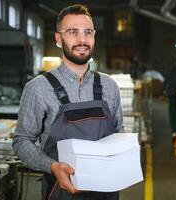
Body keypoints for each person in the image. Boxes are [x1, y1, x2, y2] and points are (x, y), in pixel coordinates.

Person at [13, 4, 124, 200]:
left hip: (106, 192)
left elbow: (118, 132)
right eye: (73, 32)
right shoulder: (38, 88)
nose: (82, 40)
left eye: (88, 32)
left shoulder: (109, 85)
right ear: (58, 39)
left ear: (94, 36)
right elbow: (22, 141)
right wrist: (53, 167)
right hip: (60, 191)